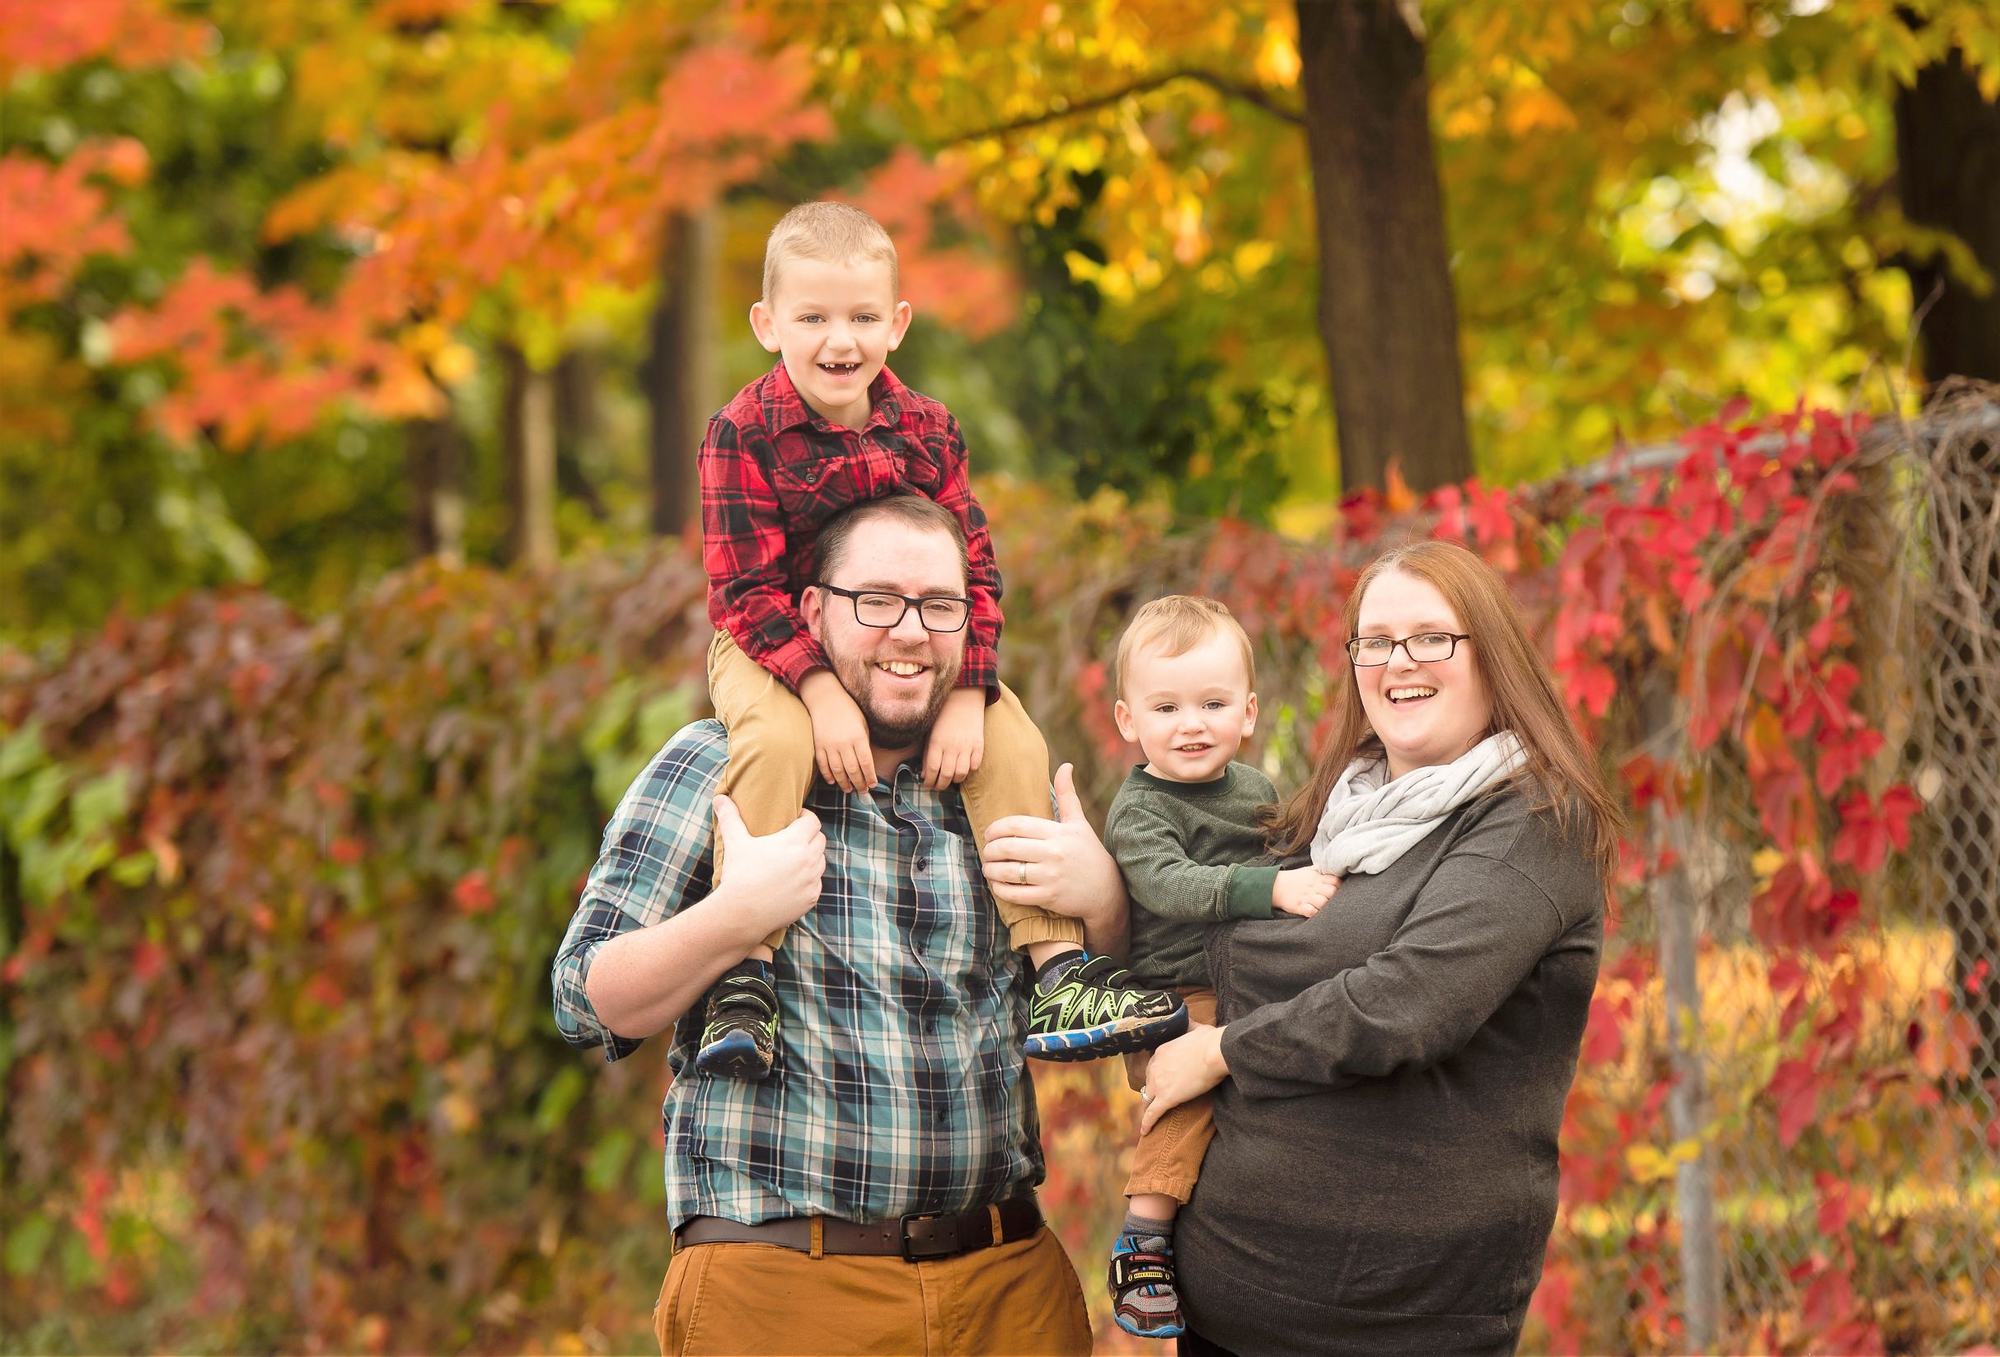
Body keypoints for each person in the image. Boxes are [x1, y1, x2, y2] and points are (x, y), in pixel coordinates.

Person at [552, 495, 1133, 1355]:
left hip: (1007, 1287)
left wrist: (1105, 901)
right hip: (784, 1290)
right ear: (813, 612)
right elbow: (584, 996)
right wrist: (735, 916)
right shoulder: (715, 763)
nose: (910, 630)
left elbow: (1122, 1010)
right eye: (877, 601)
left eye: (940, 604)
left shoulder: (1004, 783)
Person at [695, 199, 1183, 1078]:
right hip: (772, 642)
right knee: (772, 742)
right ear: (768, 325)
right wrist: (818, 692)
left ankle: (1058, 967)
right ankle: (744, 976)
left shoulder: (927, 427)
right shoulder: (742, 433)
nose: (839, 340)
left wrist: (968, 692)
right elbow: (742, 590)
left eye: (861, 317)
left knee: (1015, 738)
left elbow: (977, 574)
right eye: (812, 318)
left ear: (898, 324)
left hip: (915, 643)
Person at [1139, 540, 1621, 1357]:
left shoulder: (1533, 823)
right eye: (1377, 640)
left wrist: (1224, 1048)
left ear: (1492, 654)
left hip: (1394, 1326)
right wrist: (1097, 889)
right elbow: (1207, 945)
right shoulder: (1329, 817)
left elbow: (1406, 1005)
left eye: (1433, 636)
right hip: (1218, 1306)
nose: (1401, 660)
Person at [1098, 596, 1340, 1340]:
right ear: (1128, 720)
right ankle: (1142, 1237)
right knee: (1192, 1097)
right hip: (1174, 996)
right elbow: (1169, 884)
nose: (1191, 723)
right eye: (1165, 706)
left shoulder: (1256, 789)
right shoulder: (1142, 808)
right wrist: (1269, 889)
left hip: (1248, 981)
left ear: (1249, 712)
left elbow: (1286, 855)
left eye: (1212, 702)